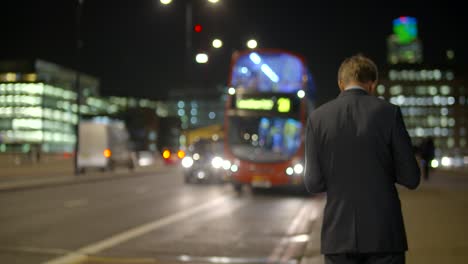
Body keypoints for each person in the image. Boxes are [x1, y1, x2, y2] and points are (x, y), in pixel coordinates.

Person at [303, 54, 420, 264]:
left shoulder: (317, 118)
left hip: (338, 237)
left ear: (340, 84)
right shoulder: (390, 113)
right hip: (385, 236)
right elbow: (411, 178)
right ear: (372, 84)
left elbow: (313, 183)